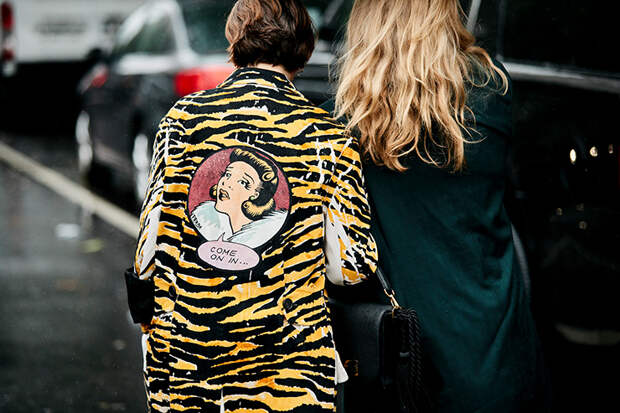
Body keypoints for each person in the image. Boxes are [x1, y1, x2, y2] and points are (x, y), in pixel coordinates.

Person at [131, 0, 377, 412]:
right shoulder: (327, 135)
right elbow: (350, 268)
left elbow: (147, 255)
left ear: (234, 39)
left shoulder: (182, 120)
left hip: (187, 364)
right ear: (304, 50)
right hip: (289, 371)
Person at [322, 0, 550, 411]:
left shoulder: (345, 123)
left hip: (404, 362)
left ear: (367, 21)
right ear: (443, 13)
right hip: (495, 347)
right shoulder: (491, 92)